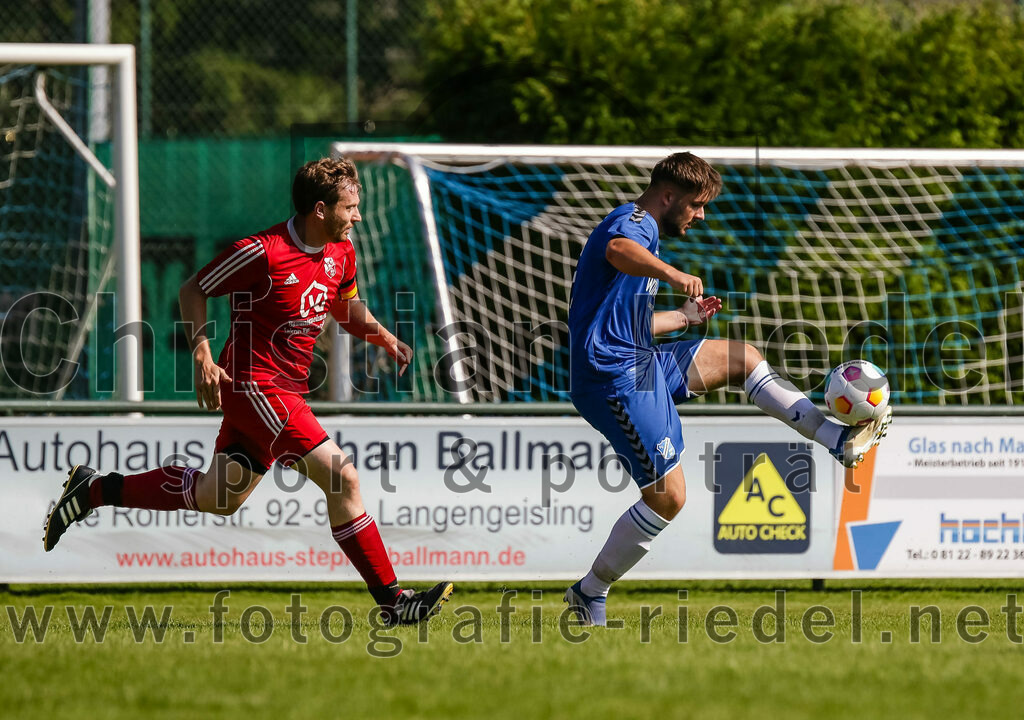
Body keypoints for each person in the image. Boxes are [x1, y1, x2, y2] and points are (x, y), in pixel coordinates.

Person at [43, 157, 453, 626]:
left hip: (281, 392)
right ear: (319, 209)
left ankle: (92, 490)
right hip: (256, 387)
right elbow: (192, 288)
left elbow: (346, 306)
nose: (357, 216)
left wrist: (382, 334)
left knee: (218, 497)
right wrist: (201, 351)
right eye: (350, 207)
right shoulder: (262, 251)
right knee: (344, 478)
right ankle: (395, 601)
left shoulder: (342, 251)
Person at [564, 152, 891, 626]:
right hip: (613, 379)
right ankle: (589, 592)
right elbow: (618, 251)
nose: (701, 215)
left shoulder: (644, 230)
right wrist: (674, 275)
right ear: (669, 195)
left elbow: (622, 323)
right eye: (697, 205)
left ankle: (837, 439)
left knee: (743, 358)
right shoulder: (634, 223)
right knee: (669, 498)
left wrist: (684, 319)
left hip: (636, 357)